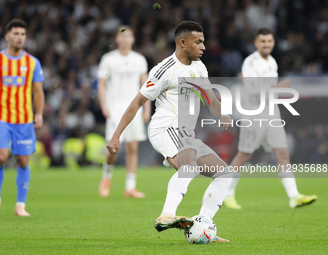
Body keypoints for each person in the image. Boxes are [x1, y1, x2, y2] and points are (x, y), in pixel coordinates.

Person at [106, 20, 232, 242]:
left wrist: (222, 114)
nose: (203, 47)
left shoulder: (200, 68)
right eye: (199, 42)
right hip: (165, 128)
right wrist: (117, 135)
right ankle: (166, 215)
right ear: (183, 43)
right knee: (188, 167)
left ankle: (203, 226)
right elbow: (136, 103)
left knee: (224, 173)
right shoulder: (164, 70)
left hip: (185, 135)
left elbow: (211, 100)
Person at [223, 28, 317, 209]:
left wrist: (277, 89)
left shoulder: (272, 62)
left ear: (273, 43)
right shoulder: (250, 63)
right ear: (256, 43)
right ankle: (227, 194)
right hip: (254, 115)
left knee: (282, 154)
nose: (266, 44)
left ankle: (294, 196)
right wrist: (278, 87)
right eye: (263, 41)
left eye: (269, 41)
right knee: (244, 155)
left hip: (272, 114)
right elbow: (252, 91)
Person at [0, 19, 45, 216]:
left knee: (22, 160)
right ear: (7, 36)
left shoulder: (32, 62)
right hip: (1, 117)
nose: (20, 37)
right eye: (16, 34)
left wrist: (39, 113)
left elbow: (38, 91)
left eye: (23, 34)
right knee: (1, 157)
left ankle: (20, 205)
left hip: (23, 119)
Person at [97, 26, 151, 198]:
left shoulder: (139, 59)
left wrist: (147, 108)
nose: (126, 39)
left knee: (133, 146)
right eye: (123, 36)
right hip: (115, 107)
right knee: (113, 148)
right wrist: (104, 105)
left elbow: (146, 85)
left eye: (129, 35)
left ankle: (130, 187)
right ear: (117, 39)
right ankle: (106, 177)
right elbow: (102, 84)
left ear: (133, 39)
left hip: (134, 107)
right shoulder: (108, 59)